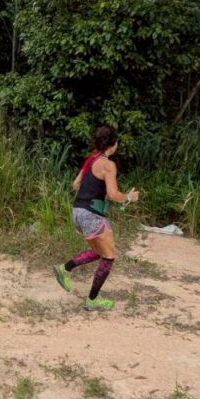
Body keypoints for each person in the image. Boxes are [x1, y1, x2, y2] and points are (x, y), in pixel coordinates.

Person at [53, 125, 140, 311]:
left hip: (78, 212)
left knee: (100, 251)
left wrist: (100, 192)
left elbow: (76, 184)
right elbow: (113, 194)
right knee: (109, 256)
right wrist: (129, 197)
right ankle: (92, 300)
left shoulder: (91, 160)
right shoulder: (108, 165)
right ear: (113, 144)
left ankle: (65, 269)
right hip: (92, 215)